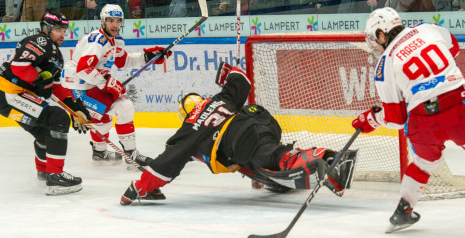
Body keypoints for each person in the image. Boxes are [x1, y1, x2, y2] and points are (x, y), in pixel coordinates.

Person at [120, 63, 358, 205]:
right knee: (257, 159)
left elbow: (166, 163)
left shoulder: (190, 129)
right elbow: (241, 78)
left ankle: (330, 160)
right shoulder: (219, 99)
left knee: (271, 156)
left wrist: (139, 188)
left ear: (185, 115)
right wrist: (226, 73)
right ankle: (277, 174)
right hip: (260, 119)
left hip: (243, 137)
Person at [354, 7, 465, 233]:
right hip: (460, 109)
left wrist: (372, 119)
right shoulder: (426, 28)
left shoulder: (384, 65)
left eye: (375, 39)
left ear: (383, 34)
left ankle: (403, 210)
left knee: (423, 163)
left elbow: (396, 119)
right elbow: (454, 47)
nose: (375, 45)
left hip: (423, 122)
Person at [61, 4, 167, 166]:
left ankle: (99, 151)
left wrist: (147, 57)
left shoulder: (115, 41)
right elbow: (83, 69)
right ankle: (131, 154)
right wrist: (107, 83)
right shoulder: (97, 41)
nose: (115, 25)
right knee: (124, 107)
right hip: (77, 89)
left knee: (104, 121)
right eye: (110, 20)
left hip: (92, 86)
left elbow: (123, 61)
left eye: (118, 21)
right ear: (103, 21)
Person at [0, 11, 91, 195]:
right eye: (58, 29)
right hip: (9, 93)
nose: (62, 34)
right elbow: (19, 67)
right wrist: (38, 79)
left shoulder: (56, 55)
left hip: (9, 99)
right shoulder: (41, 42)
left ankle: (44, 171)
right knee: (58, 119)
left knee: (43, 133)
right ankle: (55, 176)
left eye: (64, 30)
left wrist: (76, 108)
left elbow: (56, 87)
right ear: (45, 29)